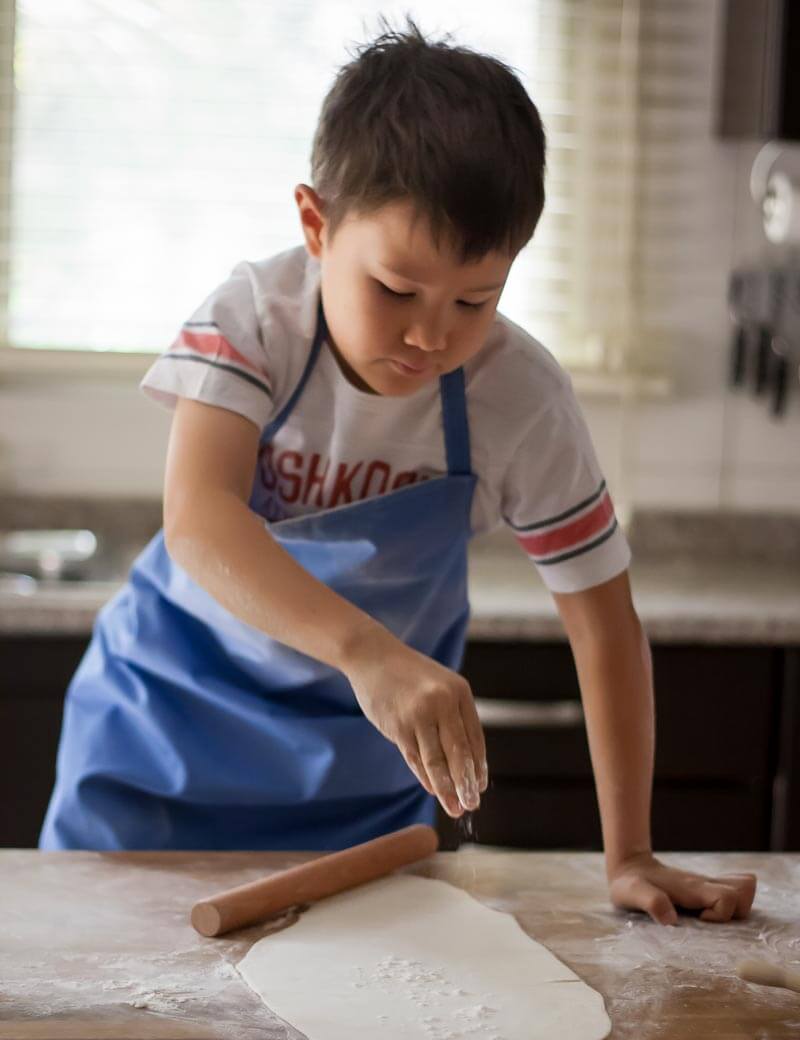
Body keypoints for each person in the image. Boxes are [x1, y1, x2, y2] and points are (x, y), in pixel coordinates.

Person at [39, 17, 756, 926]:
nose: (431, 334)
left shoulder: (518, 398)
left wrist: (630, 853)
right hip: (156, 744)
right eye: (394, 290)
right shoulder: (255, 320)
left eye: (475, 300)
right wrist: (370, 655)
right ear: (316, 224)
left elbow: (605, 624)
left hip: (359, 789)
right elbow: (199, 519)